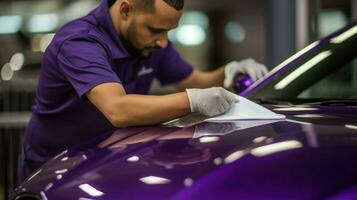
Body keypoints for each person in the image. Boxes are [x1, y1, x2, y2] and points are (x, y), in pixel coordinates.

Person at [19, 0, 268, 181]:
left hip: (108, 162)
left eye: (168, 31)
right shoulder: (80, 42)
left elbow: (194, 80)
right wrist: (193, 100)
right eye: (156, 30)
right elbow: (118, 109)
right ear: (126, 10)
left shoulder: (152, 45)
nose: (163, 41)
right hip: (56, 169)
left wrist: (229, 73)